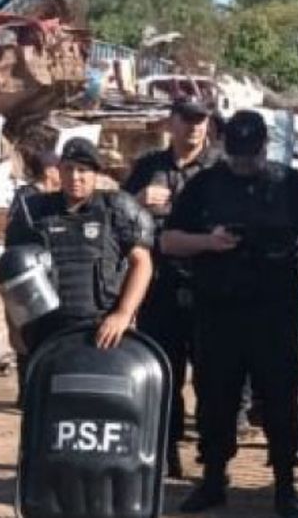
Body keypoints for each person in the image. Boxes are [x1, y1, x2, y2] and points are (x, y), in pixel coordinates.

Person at [162, 111, 298, 518]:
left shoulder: (292, 184)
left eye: (251, 155)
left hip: (275, 314)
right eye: (236, 156)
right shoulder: (205, 186)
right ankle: (213, 480)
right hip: (218, 312)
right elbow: (169, 241)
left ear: (264, 147)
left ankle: (285, 486)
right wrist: (208, 242)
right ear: (225, 148)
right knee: (215, 398)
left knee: (281, 398)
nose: (244, 164)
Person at [120, 96, 220, 479]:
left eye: (201, 119)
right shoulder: (149, 167)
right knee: (163, 372)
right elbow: (117, 214)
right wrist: (137, 200)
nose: (195, 126)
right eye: (188, 119)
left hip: (210, 284)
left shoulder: (220, 168)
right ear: (172, 123)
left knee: (213, 376)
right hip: (159, 284)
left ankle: (213, 459)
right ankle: (165, 450)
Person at [4, 138, 155, 355]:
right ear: (59, 171)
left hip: (102, 329)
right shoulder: (33, 212)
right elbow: (12, 273)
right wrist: (14, 328)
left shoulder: (117, 208)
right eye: (69, 169)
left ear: (96, 173)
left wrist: (123, 313)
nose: (75, 177)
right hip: (45, 331)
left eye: (83, 170)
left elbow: (142, 263)